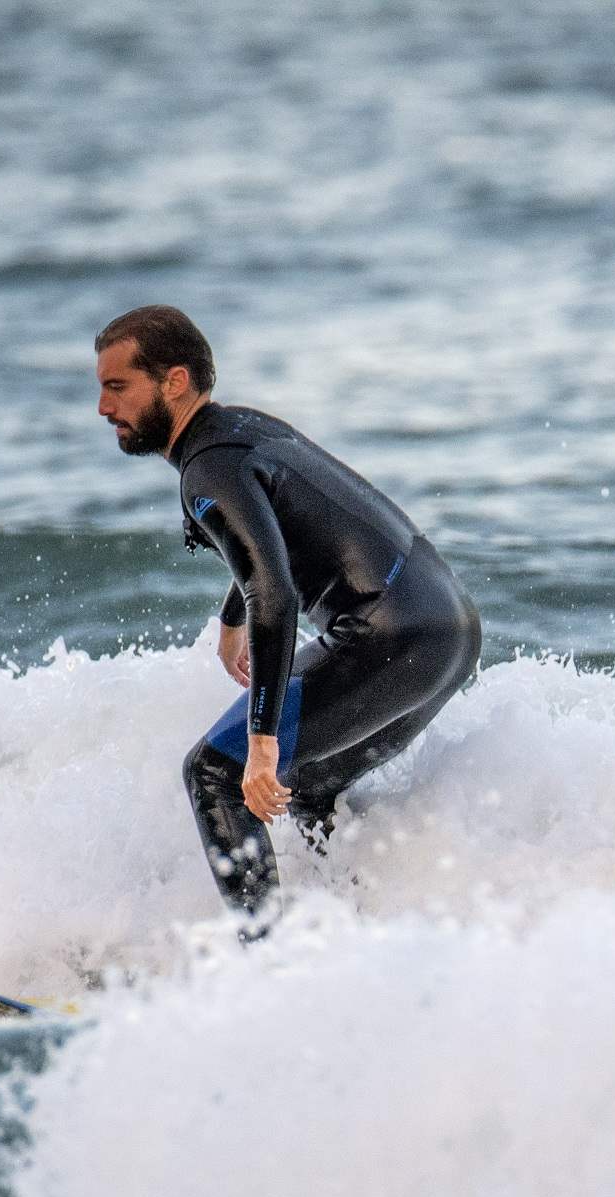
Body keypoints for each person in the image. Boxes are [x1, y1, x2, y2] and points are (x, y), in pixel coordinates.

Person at [93, 305, 484, 924]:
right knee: (309, 789)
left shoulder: (207, 468)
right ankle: (350, 935)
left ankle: (267, 968)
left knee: (215, 774)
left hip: (388, 633)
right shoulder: (243, 428)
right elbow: (274, 539)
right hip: (448, 629)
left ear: (174, 382)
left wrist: (263, 742)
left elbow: (271, 592)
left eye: (118, 387)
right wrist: (230, 622)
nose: (104, 408)